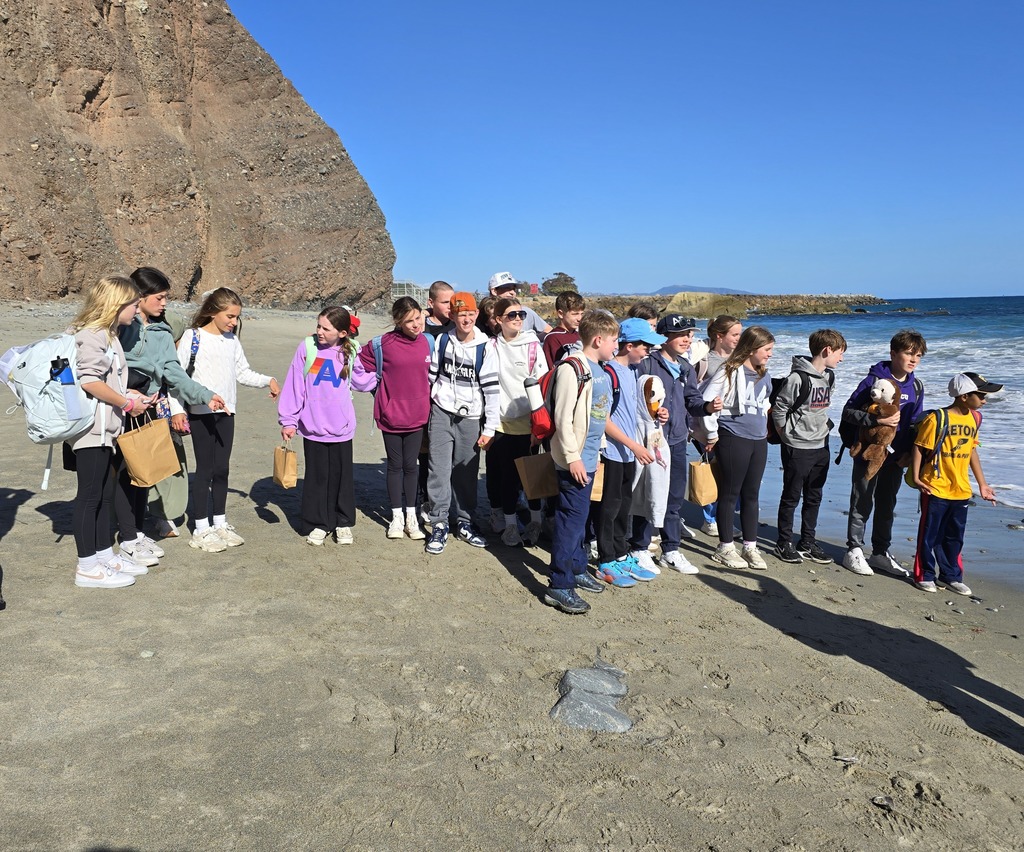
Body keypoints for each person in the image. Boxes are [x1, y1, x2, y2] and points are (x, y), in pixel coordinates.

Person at [116, 267, 225, 560]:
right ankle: (115, 542)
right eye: (160, 297)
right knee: (112, 475)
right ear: (139, 296)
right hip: (112, 408)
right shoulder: (116, 326)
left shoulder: (163, 331)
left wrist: (205, 395)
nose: (165, 304)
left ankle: (134, 535)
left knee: (140, 474)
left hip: (143, 412)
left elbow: (174, 374)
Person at [170, 288, 280, 553]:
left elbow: (243, 373)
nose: (233, 322)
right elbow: (176, 379)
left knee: (222, 469)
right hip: (200, 413)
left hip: (227, 413)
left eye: (236, 318)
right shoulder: (192, 337)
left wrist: (268, 380)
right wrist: (177, 410)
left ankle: (219, 521)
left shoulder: (232, 341)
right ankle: (200, 528)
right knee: (204, 470)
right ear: (213, 311)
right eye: (230, 316)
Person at [68, 275, 154, 588]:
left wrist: (128, 396)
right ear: (116, 304)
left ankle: (103, 555)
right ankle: (87, 567)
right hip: (91, 430)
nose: (136, 309)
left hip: (107, 430)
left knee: (103, 495)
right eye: (133, 303)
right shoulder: (93, 334)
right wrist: (127, 404)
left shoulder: (110, 334)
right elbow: (89, 380)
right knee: (89, 497)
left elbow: (108, 381)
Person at [543, 311, 621, 614]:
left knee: (580, 519)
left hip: (590, 457)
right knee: (569, 520)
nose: (616, 345)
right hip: (573, 459)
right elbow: (562, 418)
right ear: (598, 339)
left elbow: (598, 417)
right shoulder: (571, 368)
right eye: (613, 340)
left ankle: (576, 568)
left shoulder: (599, 368)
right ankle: (559, 585)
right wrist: (573, 458)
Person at [630, 315, 720, 571]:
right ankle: (640, 547)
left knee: (673, 497)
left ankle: (671, 550)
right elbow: (636, 400)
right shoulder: (647, 364)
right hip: (651, 442)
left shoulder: (685, 366)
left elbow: (692, 400)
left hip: (678, 439)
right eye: (681, 335)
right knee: (646, 495)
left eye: (690, 334)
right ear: (664, 338)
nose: (687, 339)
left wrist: (707, 407)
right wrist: (652, 413)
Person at [278, 306, 373, 546]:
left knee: (342, 478)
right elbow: (295, 385)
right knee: (317, 478)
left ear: (342, 333)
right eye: (318, 326)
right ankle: (318, 524)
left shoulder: (351, 351)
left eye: (325, 328)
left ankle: (343, 523)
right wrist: (289, 420)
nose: (319, 332)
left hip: (341, 427)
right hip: (312, 426)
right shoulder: (307, 348)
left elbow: (361, 380)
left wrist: (385, 375)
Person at [841, 330, 927, 577]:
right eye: (909, 353)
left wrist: (910, 453)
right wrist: (872, 418)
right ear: (893, 353)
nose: (914, 360)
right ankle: (854, 550)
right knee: (862, 500)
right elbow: (847, 412)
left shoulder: (917, 385)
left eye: (918, 355)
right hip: (868, 451)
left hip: (896, 456)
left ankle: (880, 553)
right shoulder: (873, 381)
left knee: (887, 505)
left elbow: (914, 424)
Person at [909, 372, 1000, 595]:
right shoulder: (937, 419)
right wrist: (918, 477)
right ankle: (925, 575)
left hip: (961, 489)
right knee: (930, 534)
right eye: (981, 395)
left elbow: (971, 451)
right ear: (964, 396)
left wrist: (982, 484)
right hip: (935, 486)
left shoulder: (975, 418)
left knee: (954, 536)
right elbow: (919, 447)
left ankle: (951, 576)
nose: (985, 400)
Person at [423, 292, 500, 554]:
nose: (465, 319)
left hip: (470, 418)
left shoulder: (486, 346)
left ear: (477, 314)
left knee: (466, 472)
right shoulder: (442, 340)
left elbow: (492, 392)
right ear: (452, 315)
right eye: (460, 314)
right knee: (438, 470)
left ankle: (466, 522)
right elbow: (431, 378)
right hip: (442, 412)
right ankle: (439, 523)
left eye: (470, 314)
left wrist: (489, 429)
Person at [355, 296, 431, 540]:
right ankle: (396, 518)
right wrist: (375, 390)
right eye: (409, 321)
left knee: (412, 467)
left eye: (418, 318)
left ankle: (412, 517)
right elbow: (356, 365)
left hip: (418, 415)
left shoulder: (428, 342)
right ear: (398, 322)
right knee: (395, 466)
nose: (415, 325)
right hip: (390, 416)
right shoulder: (382, 344)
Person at [699, 326, 775, 570]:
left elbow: (765, 404)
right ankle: (725, 547)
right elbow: (706, 402)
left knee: (751, 494)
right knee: (730, 492)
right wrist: (711, 434)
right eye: (767, 350)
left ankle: (750, 546)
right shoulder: (729, 370)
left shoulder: (765, 375)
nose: (769, 355)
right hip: (733, 436)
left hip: (758, 439)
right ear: (752, 348)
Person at [771, 329, 847, 565]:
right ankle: (783, 542)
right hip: (797, 445)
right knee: (791, 496)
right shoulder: (797, 378)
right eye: (839, 353)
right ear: (827, 350)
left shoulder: (830, 377)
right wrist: (786, 435)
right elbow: (779, 408)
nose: (841, 359)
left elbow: (822, 407)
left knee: (814, 496)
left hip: (821, 444)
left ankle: (807, 541)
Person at [594, 319, 661, 585]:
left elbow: (632, 411)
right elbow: (604, 419)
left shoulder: (633, 372)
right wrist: (633, 445)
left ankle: (621, 555)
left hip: (628, 453)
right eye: (645, 346)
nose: (648, 351)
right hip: (612, 452)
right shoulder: (609, 372)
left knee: (624, 506)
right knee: (608, 509)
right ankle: (606, 560)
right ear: (629, 345)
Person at [487, 295, 548, 545]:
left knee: (532, 477)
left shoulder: (533, 345)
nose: (518, 320)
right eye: (511, 315)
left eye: (521, 315)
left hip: (528, 424)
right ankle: (511, 526)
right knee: (508, 478)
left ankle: (535, 523)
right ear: (498, 319)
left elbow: (542, 385)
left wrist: (538, 426)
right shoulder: (491, 346)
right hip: (502, 423)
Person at [693, 315, 743, 536]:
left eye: (740, 334)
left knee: (730, 472)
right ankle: (710, 519)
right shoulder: (704, 359)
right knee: (712, 468)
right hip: (706, 422)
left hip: (733, 422)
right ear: (719, 336)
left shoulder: (741, 358)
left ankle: (723, 516)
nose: (739, 339)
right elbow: (692, 392)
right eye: (735, 335)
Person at [487, 272, 552, 336]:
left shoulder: (526, 311)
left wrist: (531, 342)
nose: (512, 292)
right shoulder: (484, 314)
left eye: (513, 289)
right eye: (507, 288)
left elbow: (548, 330)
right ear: (494, 291)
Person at [543, 291, 586, 367]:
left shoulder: (581, 335)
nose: (580, 318)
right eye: (575, 314)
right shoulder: (553, 338)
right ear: (561, 314)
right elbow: (554, 369)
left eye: (581, 314)